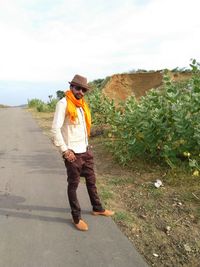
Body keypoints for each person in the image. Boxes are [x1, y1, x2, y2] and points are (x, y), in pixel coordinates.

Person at [51, 74, 114, 231]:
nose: (81, 91)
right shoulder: (63, 103)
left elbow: (83, 129)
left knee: (92, 181)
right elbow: (55, 129)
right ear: (71, 87)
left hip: (85, 151)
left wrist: (87, 146)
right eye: (78, 88)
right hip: (72, 154)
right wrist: (65, 150)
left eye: (83, 89)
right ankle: (76, 217)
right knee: (73, 185)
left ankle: (97, 208)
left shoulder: (82, 105)